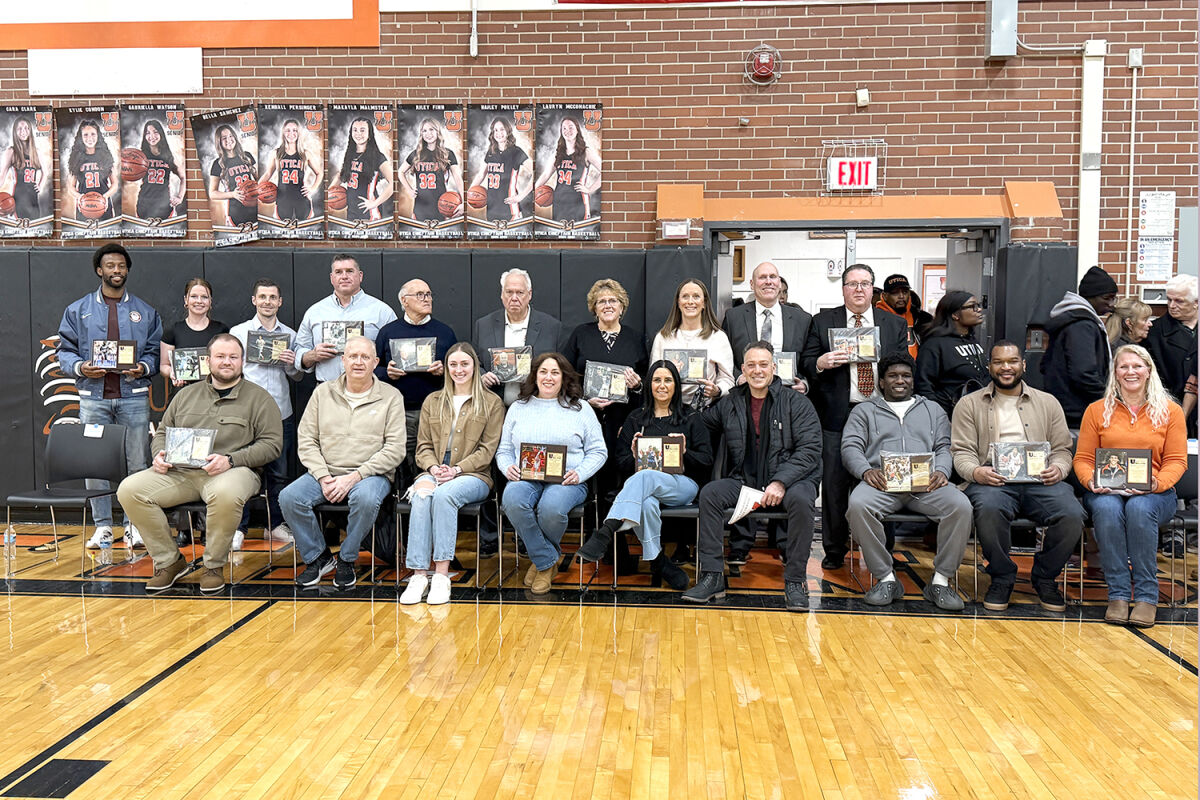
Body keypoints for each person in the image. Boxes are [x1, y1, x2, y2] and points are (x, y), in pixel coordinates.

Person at [117, 334, 282, 594]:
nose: (226, 362)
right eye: (220, 356)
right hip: (181, 473)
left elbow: (272, 445)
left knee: (225, 493)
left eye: (233, 357)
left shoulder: (260, 398)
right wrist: (159, 454)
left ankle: (213, 566)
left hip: (235, 471)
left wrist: (231, 460)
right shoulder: (185, 395)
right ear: (208, 360)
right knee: (130, 489)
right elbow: (162, 433)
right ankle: (169, 562)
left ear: (242, 361)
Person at [682, 342, 822, 609]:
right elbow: (698, 424)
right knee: (710, 494)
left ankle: (794, 580)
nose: (757, 370)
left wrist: (780, 481)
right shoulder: (732, 401)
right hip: (745, 480)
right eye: (751, 365)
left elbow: (810, 449)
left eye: (763, 364)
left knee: (804, 500)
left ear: (773, 367)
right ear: (743, 370)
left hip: (791, 481)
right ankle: (712, 576)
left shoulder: (797, 402)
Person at [951, 341, 1083, 612]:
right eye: (999, 362)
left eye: (1012, 361)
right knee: (988, 508)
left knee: (1072, 514)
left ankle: (1045, 577)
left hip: (1041, 480)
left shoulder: (1048, 402)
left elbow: (1062, 450)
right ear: (990, 367)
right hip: (992, 480)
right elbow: (961, 453)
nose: (1006, 367)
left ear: (1023, 364)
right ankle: (1002, 577)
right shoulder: (969, 404)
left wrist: (1058, 468)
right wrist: (977, 472)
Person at [842, 353, 972, 611]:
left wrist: (943, 471)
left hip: (926, 485)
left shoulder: (932, 409)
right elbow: (850, 447)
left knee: (961, 506)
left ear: (913, 380)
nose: (899, 381)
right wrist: (866, 471)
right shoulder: (864, 410)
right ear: (882, 382)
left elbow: (945, 447)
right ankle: (886, 578)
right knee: (858, 505)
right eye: (893, 376)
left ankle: (941, 581)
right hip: (881, 483)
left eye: (905, 376)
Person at [801, 263, 908, 570]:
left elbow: (902, 365)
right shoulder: (823, 321)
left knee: (884, 481)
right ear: (843, 288)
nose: (859, 289)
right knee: (834, 485)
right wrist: (821, 362)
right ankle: (834, 550)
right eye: (852, 284)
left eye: (865, 284)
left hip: (880, 415)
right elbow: (807, 362)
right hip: (837, 413)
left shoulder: (892, 324)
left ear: (873, 289)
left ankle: (882, 549)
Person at [1074, 344, 1188, 629]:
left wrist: (1157, 483)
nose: (1130, 372)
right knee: (1107, 508)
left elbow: (1177, 461)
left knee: (1139, 508)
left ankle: (1147, 597)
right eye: (1123, 366)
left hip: (1156, 493)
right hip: (1105, 491)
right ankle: (1119, 596)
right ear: (1115, 373)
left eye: (1137, 366)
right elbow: (1084, 458)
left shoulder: (1171, 412)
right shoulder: (1096, 411)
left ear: (1149, 371)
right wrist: (1091, 480)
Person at [56, 243, 162, 551]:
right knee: (95, 464)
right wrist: (81, 367)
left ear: (127, 270)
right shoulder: (78, 310)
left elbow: (155, 354)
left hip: (133, 397)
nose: (116, 271)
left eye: (121, 266)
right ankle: (103, 527)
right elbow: (65, 351)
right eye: (110, 266)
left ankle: (134, 526)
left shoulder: (145, 311)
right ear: (99, 270)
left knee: (137, 463)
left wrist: (142, 367)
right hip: (93, 398)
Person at [575, 359, 713, 590]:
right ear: (649, 384)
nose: (662, 385)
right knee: (646, 502)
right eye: (657, 380)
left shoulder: (690, 417)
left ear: (676, 385)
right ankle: (658, 561)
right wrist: (633, 456)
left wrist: (684, 452)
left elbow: (706, 460)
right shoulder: (635, 419)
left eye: (668, 380)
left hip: (682, 486)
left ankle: (607, 528)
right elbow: (620, 462)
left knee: (646, 476)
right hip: (644, 489)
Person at [283, 337, 407, 591]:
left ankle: (347, 559)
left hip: (371, 475)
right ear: (343, 361)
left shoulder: (391, 397)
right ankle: (319, 558)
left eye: (365, 357)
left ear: (376, 363)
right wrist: (322, 476)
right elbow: (306, 440)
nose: (358, 362)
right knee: (289, 497)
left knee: (365, 498)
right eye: (353, 356)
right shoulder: (322, 393)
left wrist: (355, 476)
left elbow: (395, 449)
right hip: (326, 473)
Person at [402, 343, 504, 605]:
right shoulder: (432, 401)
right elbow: (422, 446)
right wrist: (434, 468)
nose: (459, 370)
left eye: (465, 364)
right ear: (446, 368)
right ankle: (418, 575)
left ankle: (441, 576)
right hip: (435, 468)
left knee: (444, 495)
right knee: (423, 495)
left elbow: (487, 450)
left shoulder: (491, 403)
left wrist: (457, 469)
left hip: (474, 475)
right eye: (453, 365)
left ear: (475, 366)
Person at [496, 353, 607, 595]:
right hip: (526, 477)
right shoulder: (518, 407)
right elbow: (503, 450)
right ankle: (547, 561)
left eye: (555, 372)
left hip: (568, 481)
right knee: (513, 500)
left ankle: (539, 563)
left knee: (551, 509)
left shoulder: (581, 408)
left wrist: (580, 473)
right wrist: (507, 467)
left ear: (563, 377)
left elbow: (599, 451)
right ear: (534, 376)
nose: (548, 377)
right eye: (543, 372)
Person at [473, 268, 564, 554]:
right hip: (494, 407)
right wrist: (482, 374)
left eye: (519, 292)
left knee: (529, 470)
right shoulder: (483, 324)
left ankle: (526, 535)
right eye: (509, 292)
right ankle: (490, 537)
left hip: (532, 409)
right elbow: (474, 361)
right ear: (502, 295)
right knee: (490, 466)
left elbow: (560, 368)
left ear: (530, 295)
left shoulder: (551, 326)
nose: (514, 297)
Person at [230, 278, 303, 548]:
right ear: (254, 300)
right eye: (263, 297)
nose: (267, 302)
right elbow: (229, 371)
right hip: (247, 413)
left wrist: (290, 364)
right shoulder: (239, 332)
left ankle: (276, 526)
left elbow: (297, 376)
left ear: (280, 302)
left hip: (281, 412)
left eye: (273, 297)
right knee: (244, 471)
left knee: (280, 474)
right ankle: (239, 527)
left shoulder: (291, 335)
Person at [562, 278, 648, 493]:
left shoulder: (635, 338)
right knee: (590, 474)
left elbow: (647, 379)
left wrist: (637, 385)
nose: (607, 305)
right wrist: (584, 400)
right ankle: (592, 521)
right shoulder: (581, 334)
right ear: (594, 308)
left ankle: (619, 522)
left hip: (624, 420)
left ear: (622, 306)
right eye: (601, 301)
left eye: (613, 300)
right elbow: (564, 374)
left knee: (621, 474)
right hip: (586, 417)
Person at [375, 278, 458, 469]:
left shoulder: (445, 332)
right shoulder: (388, 332)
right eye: (420, 295)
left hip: (437, 413)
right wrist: (388, 373)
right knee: (401, 463)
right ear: (404, 301)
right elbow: (374, 369)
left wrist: (445, 371)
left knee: (434, 461)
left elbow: (461, 370)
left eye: (428, 294)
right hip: (398, 412)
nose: (427, 299)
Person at [293, 254, 397, 383]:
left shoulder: (382, 311)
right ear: (332, 278)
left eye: (349, 271)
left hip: (368, 391)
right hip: (327, 391)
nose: (344, 276)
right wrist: (313, 355)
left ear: (360, 276)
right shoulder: (314, 312)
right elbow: (299, 350)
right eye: (338, 272)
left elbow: (395, 353)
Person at [1041, 266, 1118, 428]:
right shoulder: (1082, 325)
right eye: (1107, 298)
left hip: (1067, 409)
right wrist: (1107, 399)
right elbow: (1083, 372)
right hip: (1078, 413)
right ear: (1091, 297)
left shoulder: (1072, 320)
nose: (1111, 305)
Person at [722, 261, 813, 392]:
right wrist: (738, 377)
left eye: (773, 277)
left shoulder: (802, 319)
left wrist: (805, 383)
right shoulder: (733, 317)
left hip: (787, 395)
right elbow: (726, 358)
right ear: (752, 284)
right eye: (762, 277)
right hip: (746, 395)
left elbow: (808, 359)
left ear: (779, 283)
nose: (768, 282)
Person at [650, 279, 735, 408]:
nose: (690, 301)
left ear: (704, 303)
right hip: (669, 410)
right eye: (685, 296)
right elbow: (653, 377)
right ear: (678, 302)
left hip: (704, 411)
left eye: (696, 296)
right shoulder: (663, 337)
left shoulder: (718, 337)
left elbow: (728, 379)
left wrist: (716, 390)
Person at [913, 290, 987, 417]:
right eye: (972, 306)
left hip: (979, 413)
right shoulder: (934, 344)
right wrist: (939, 417)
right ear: (955, 315)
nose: (979, 310)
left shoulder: (972, 340)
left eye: (978, 305)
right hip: (950, 416)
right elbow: (924, 386)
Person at [1144, 274, 1198, 435]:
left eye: (1179, 301)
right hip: (1167, 411)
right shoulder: (1155, 332)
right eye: (1169, 300)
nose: (1172, 305)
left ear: (1196, 303)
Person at [161, 278, 229, 387]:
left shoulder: (222, 330)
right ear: (186, 300)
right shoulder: (173, 330)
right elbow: (164, 366)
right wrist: (173, 373)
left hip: (215, 393)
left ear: (210, 301)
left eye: (204, 297)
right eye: (194, 296)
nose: (199, 301)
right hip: (184, 394)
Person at [533, 115, 601, 224]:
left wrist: (590, 189)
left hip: (578, 203)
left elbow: (606, 171)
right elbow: (546, 175)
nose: (567, 131)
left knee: (579, 236)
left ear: (577, 130)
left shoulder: (586, 152)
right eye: (564, 128)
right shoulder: (558, 153)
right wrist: (533, 191)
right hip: (559, 202)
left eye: (570, 127)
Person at [329, 116, 394, 222]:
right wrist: (329, 194)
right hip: (351, 212)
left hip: (370, 214)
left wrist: (374, 203)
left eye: (362, 130)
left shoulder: (377, 156)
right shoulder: (350, 155)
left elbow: (394, 182)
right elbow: (341, 175)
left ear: (369, 134)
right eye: (355, 130)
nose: (358, 133)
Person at [400, 117, 463, 223]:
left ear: (438, 131)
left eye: (431, 129)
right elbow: (400, 172)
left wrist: (464, 201)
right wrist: (409, 189)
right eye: (424, 131)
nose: (428, 133)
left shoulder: (448, 154)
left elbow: (458, 178)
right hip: (420, 206)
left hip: (442, 205)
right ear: (421, 134)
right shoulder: (416, 154)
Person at [469, 117, 531, 222]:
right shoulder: (491, 152)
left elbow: (535, 172)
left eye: (502, 129)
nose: (499, 133)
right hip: (492, 208)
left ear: (508, 130)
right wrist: (469, 194)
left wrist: (521, 196)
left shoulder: (516, 152)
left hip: (510, 209)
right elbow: (481, 175)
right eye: (495, 130)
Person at [259, 118, 322, 222]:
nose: (291, 133)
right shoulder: (276, 153)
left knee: (304, 234)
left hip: (302, 200)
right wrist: (257, 188)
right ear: (283, 133)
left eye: (295, 130)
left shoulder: (305, 153)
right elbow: (268, 173)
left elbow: (319, 173)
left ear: (299, 133)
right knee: (282, 234)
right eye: (288, 130)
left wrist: (312, 188)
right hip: (282, 199)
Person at [66, 119, 118, 221]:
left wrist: (105, 196)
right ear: (81, 137)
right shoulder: (76, 158)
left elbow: (115, 184)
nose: (90, 138)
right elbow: (71, 186)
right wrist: (79, 196)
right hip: (84, 206)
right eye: (85, 135)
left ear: (98, 135)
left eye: (93, 134)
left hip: (103, 205)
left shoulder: (105, 156)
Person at [206, 124, 257, 227]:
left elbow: (259, 179)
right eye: (224, 138)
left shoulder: (247, 156)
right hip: (235, 211)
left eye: (230, 136)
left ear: (235, 137)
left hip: (254, 206)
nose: (228, 140)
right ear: (219, 142)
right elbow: (212, 193)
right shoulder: (218, 164)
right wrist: (233, 194)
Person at [134, 120, 185, 221]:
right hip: (144, 204)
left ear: (161, 133)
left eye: (155, 131)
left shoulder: (168, 156)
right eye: (148, 133)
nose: (152, 136)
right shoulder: (140, 155)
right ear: (144, 136)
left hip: (164, 204)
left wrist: (180, 196)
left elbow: (183, 177)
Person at [0, 115, 47, 219]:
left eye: (26, 128)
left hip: (33, 198)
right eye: (19, 128)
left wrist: (40, 185)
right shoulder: (11, 152)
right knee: (19, 230)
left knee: (35, 230)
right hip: (18, 197)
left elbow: (45, 172)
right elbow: (2, 176)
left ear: (30, 130)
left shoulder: (36, 152)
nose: (23, 131)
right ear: (15, 132)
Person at [876, 273, 932, 358]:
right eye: (895, 293)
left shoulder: (922, 318)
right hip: (887, 369)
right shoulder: (874, 318)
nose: (901, 296)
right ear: (885, 296)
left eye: (905, 292)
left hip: (917, 369)